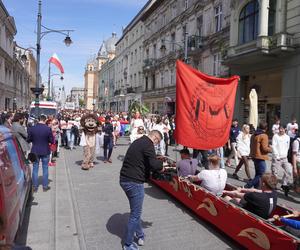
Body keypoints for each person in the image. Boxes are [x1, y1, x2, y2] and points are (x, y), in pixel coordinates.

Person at [120, 130, 164, 250]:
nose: (156, 144)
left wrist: (154, 159)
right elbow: (154, 165)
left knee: (135, 210)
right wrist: (161, 164)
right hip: (134, 182)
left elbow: (143, 160)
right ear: (155, 137)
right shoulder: (148, 144)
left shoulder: (139, 141)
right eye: (157, 141)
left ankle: (140, 234)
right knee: (135, 214)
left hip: (124, 179)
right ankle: (128, 244)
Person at [27, 114, 53, 192]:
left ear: (38, 120)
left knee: (35, 168)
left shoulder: (32, 128)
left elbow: (29, 139)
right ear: (45, 120)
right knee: (45, 168)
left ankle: (35, 187)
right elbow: (51, 140)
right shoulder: (48, 129)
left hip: (35, 150)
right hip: (45, 150)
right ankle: (45, 186)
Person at [245, 122, 272, 189]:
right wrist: (271, 149)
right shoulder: (264, 136)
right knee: (261, 174)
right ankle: (248, 186)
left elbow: (251, 145)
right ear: (266, 128)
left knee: (257, 173)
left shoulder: (254, 134)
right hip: (260, 156)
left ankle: (256, 188)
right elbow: (265, 148)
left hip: (254, 156)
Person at [271, 124, 293, 196]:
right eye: (280, 129)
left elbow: (287, 147)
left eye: (282, 129)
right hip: (277, 158)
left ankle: (284, 184)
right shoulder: (275, 136)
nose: (281, 130)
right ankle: (273, 187)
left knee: (289, 171)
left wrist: (286, 155)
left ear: (285, 130)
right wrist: (277, 156)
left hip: (284, 158)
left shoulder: (287, 137)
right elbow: (274, 146)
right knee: (275, 173)